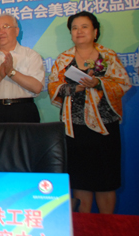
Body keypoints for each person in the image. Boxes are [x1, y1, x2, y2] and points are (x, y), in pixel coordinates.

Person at [48, 11, 131, 214]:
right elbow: (53, 86)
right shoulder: (64, 59)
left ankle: (107, 225)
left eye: (84, 27)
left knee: (106, 182)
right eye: (74, 28)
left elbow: (123, 84)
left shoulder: (108, 56)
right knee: (80, 181)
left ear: (95, 32)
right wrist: (74, 88)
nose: (79, 31)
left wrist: (98, 83)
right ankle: (84, 226)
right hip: (75, 129)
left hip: (105, 127)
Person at [0, 14, 44, 123]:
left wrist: (11, 72)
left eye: (5, 27)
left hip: (24, 111)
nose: (0, 32)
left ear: (16, 31)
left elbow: (37, 87)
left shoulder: (31, 55)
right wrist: (0, 75)